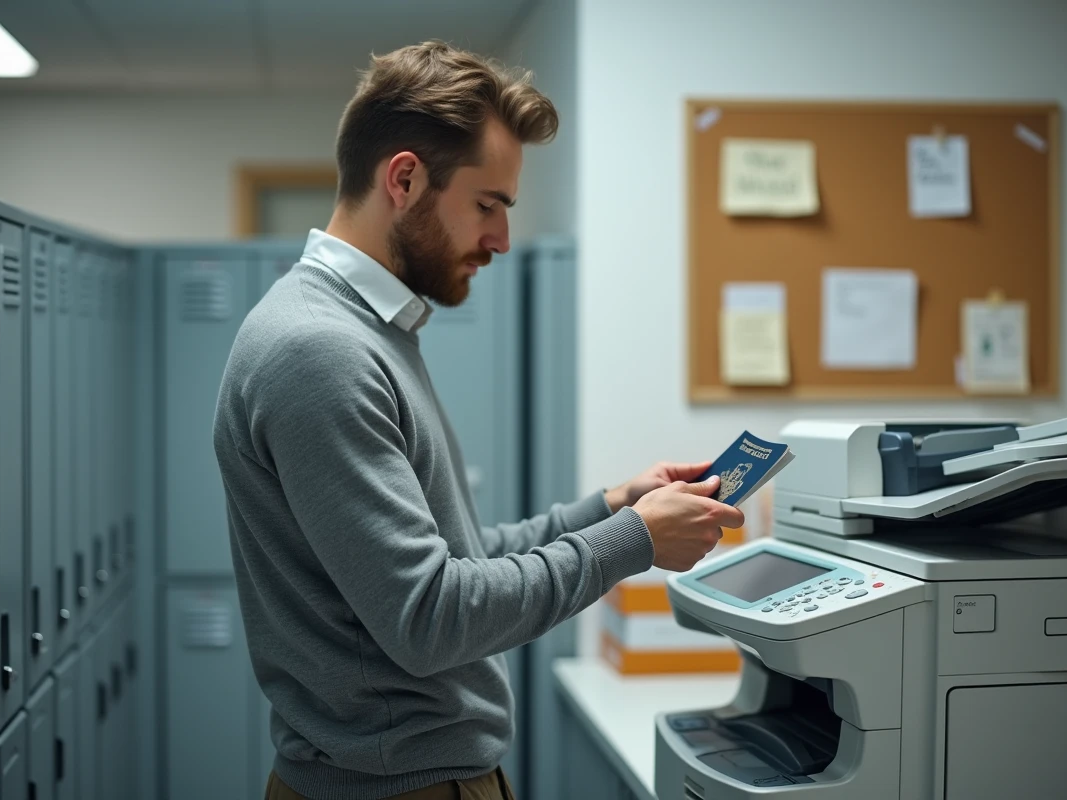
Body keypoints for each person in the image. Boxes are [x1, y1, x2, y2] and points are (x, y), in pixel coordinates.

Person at [212, 40, 745, 800]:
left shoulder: (368, 332)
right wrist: (634, 541)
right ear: (404, 179)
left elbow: (454, 560)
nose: (501, 239)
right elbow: (430, 617)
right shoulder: (320, 349)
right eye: (487, 205)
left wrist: (610, 508)